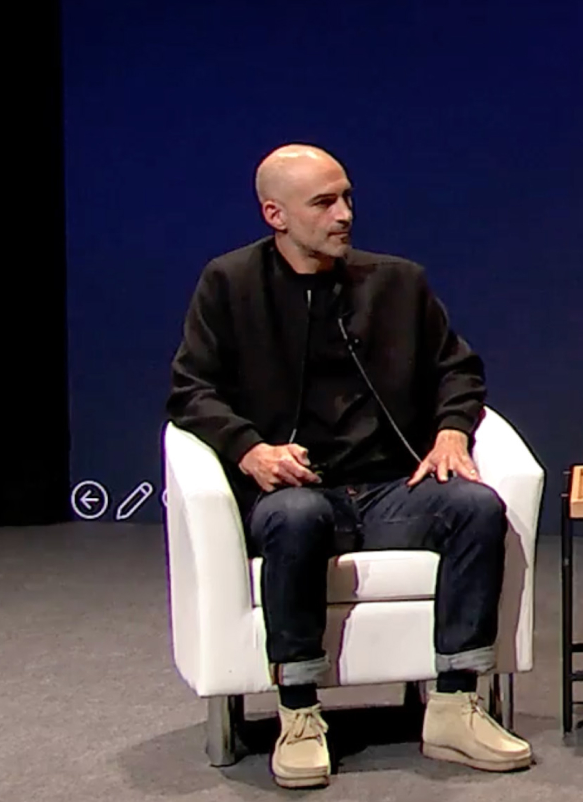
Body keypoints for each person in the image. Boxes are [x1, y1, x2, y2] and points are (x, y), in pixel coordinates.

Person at [167, 145, 531, 789]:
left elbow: (458, 370)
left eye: (347, 198)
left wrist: (451, 433)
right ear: (275, 214)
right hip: (297, 489)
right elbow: (192, 391)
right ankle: (299, 713)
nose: (344, 215)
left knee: (476, 507)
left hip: (393, 486)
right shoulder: (229, 284)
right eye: (324, 203)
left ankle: (453, 705)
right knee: (296, 519)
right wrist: (252, 450)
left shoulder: (396, 282)